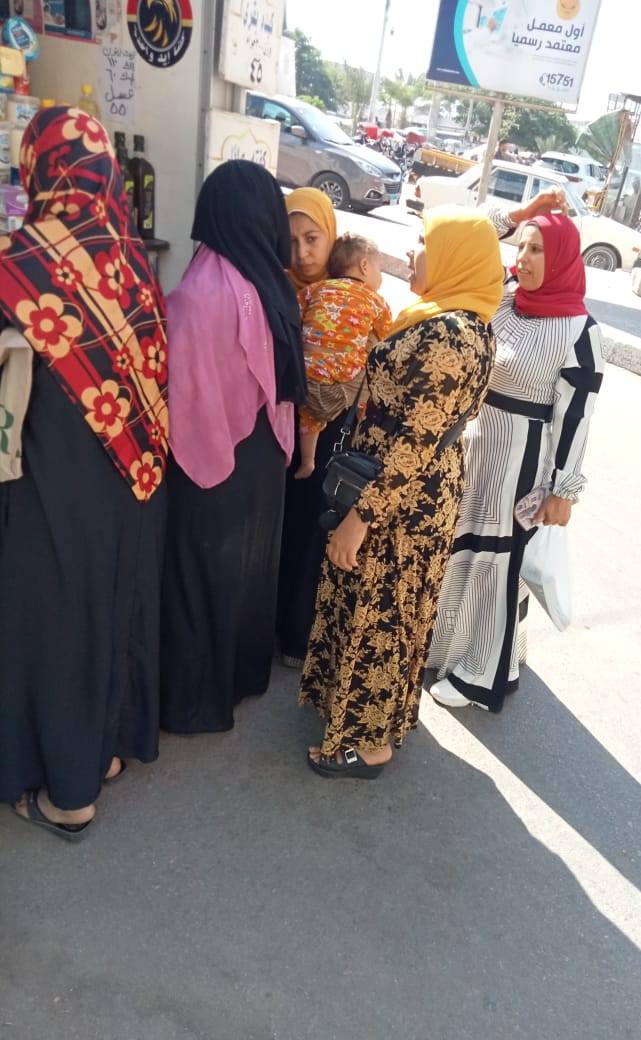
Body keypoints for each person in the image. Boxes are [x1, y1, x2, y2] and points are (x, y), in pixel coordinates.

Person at [0, 106, 168, 839]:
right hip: (135, 477)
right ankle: (105, 753)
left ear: (39, 169)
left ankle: (70, 795)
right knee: (112, 608)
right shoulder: (135, 263)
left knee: (54, 622)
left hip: (51, 477)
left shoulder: (20, 262)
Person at [300, 206, 504, 778]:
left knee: (382, 613)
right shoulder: (449, 319)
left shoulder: (451, 335)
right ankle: (361, 719)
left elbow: (417, 442)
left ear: (454, 258)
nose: (412, 254)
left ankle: (368, 745)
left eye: (424, 244)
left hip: (400, 500)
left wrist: (360, 518)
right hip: (400, 487)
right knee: (379, 607)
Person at [427, 190, 605, 713]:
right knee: (458, 547)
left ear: (563, 258)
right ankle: (447, 648)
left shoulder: (580, 331)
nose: (523, 258)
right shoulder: (504, 295)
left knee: (497, 562)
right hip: (474, 442)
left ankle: (483, 675)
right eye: (521, 247)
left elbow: (576, 418)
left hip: (520, 458)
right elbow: (474, 232)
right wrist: (525, 214)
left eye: (537, 250)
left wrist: (562, 490)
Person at [159, 161, 306, 734]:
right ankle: (243, 676)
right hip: (264, 451)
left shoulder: (200, 290)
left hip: (212, 449)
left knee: (200, 571)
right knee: (248, 566)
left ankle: (196, 700)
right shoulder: (272, 283)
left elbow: (183, 392)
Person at [276, 187, 342, 668]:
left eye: (312, 238)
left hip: (331, 432)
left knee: (312, 530)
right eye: (292, 240)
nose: (302, 252)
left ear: (331, 235)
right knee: (280, 527)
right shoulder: (276, 286)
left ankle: (300, 635)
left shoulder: (351, 288)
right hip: (280, 427)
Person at [295, 232, 391, 480]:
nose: (380, 277)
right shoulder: (376, 301)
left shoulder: (314, 289)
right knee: (365, 389)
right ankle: (358, 429)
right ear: (365, 265)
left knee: (309, 417)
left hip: (307, 368)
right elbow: (385, 337)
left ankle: (307, 461)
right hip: (345, 371)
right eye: (379, 269)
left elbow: (296, 314)